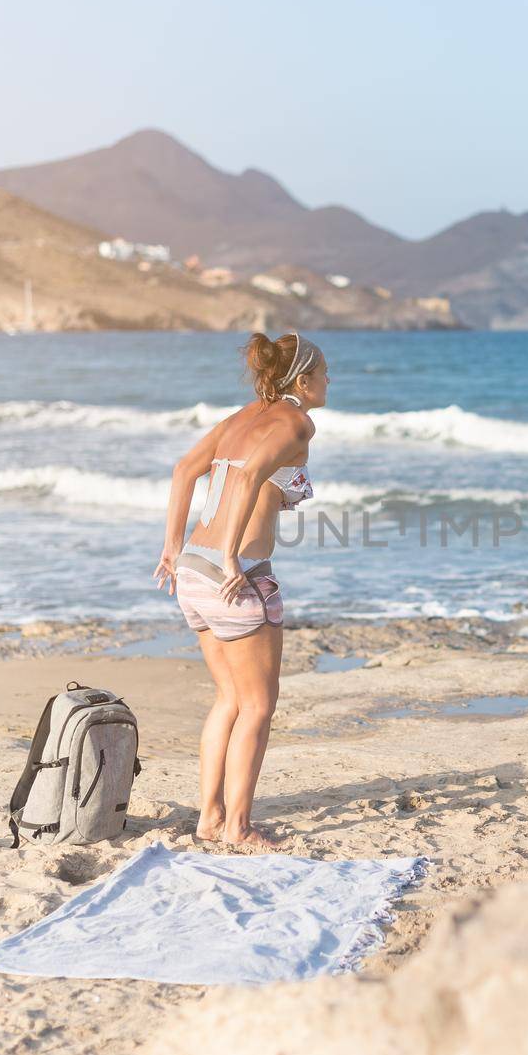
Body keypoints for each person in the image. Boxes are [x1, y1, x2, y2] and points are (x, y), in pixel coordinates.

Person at [153, 331, 327, 848]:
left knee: (229, 697)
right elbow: (251, 476)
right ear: (303, 379)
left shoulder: (240, 417)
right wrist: (232, 552)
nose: (329, 382)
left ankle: (209, 818)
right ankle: (238, 827)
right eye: (324, 373)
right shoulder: (298, 421)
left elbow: (186, 469)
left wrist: (171, 546)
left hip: (191, 571)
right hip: (237, 575)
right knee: (258, 706)